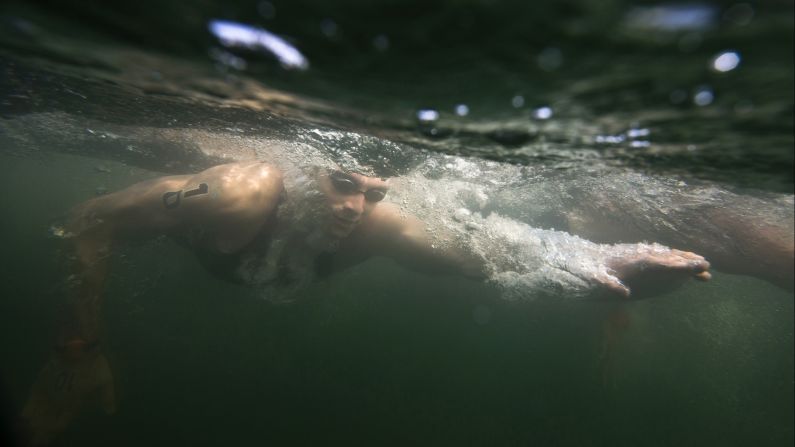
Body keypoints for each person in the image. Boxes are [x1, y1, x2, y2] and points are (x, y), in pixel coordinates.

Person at [19, 160, 711, 444]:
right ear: (304, 168)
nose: (357, 207)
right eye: (342, 184)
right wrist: (77, 349)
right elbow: (87, 219)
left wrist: (597, 261)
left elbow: (485, 252)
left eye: (373, 191)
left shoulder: (378, 225)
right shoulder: (239, 191)